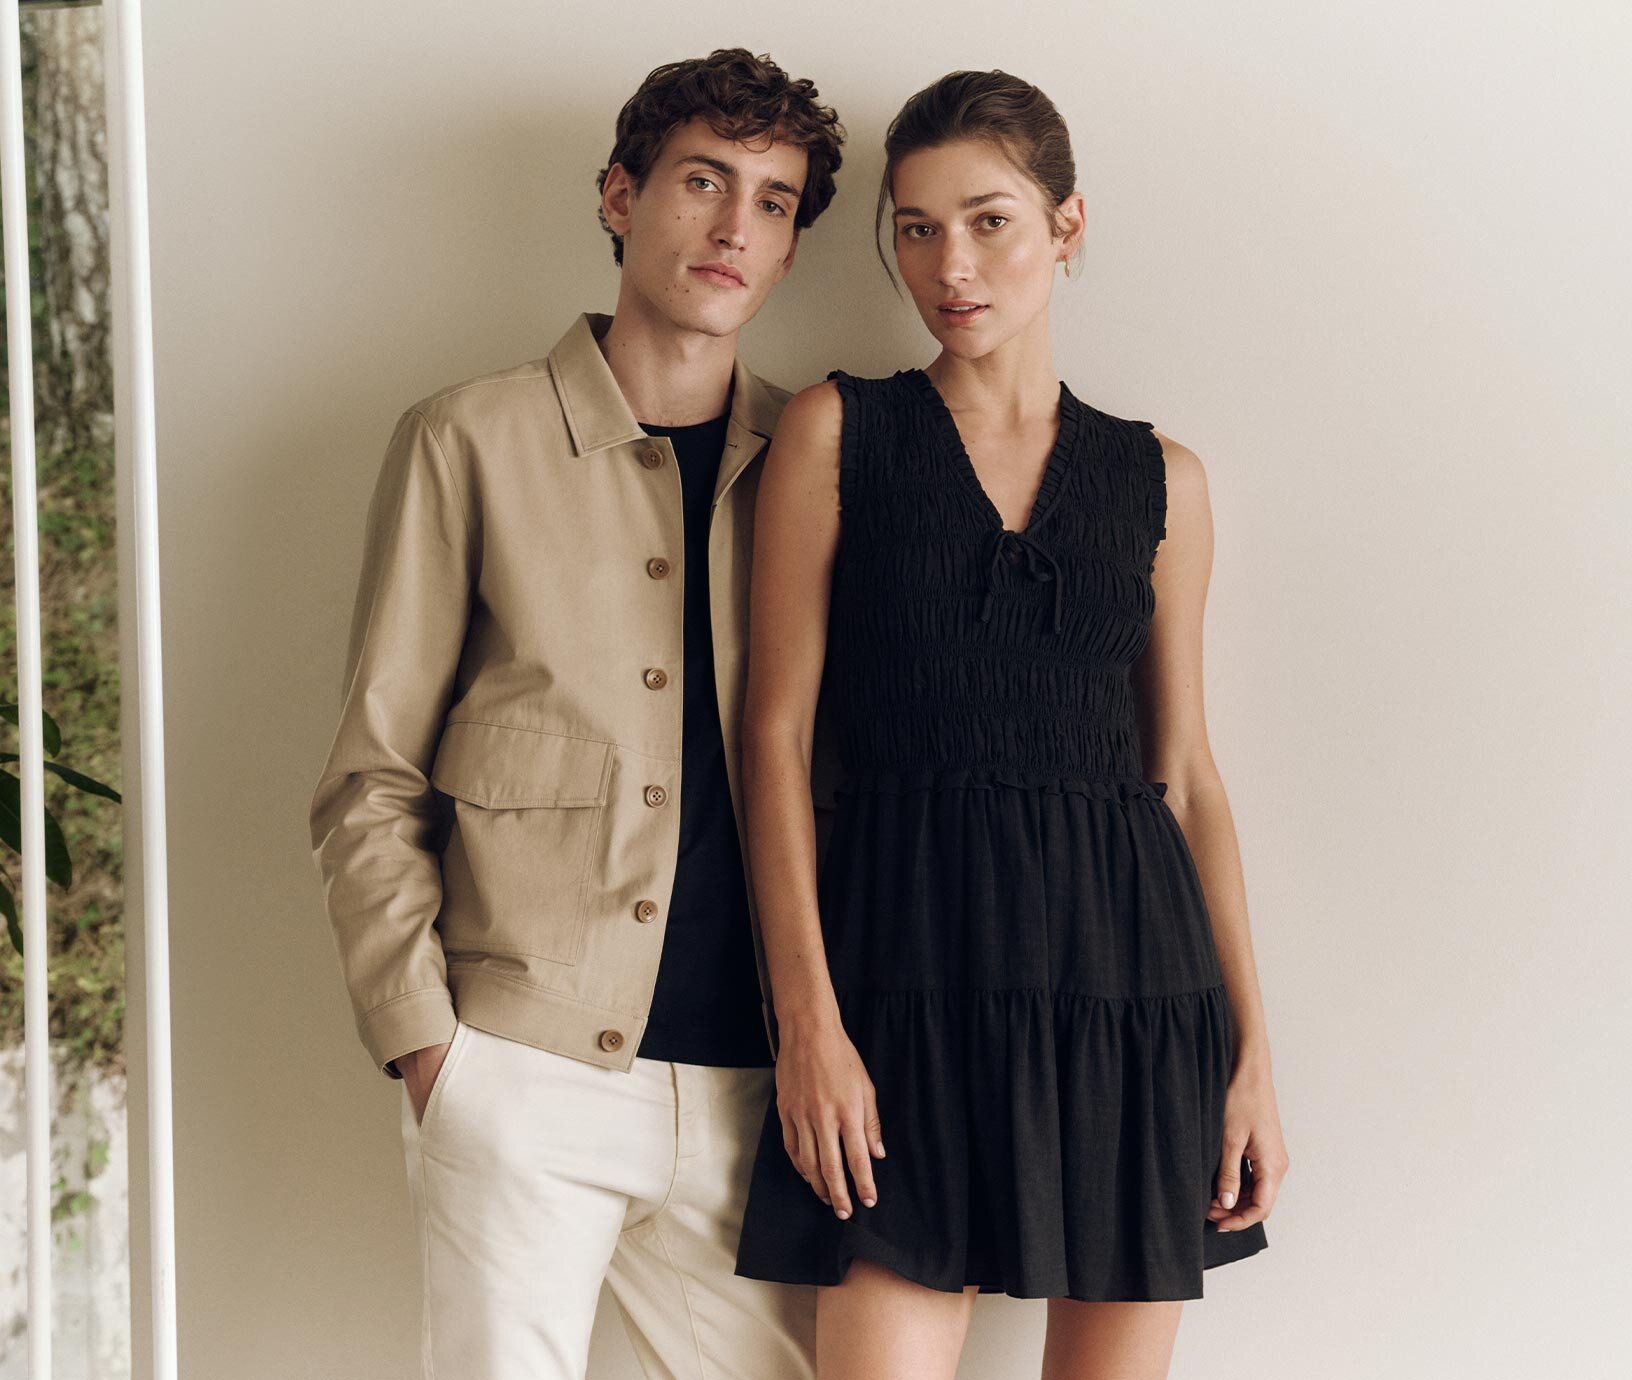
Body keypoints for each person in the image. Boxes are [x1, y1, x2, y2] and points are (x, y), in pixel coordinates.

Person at [730, 68, 1289, 1378]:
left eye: (987, 221)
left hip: (1132, 1002)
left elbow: (1188, 778)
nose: (949, 264)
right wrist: (807, 1024)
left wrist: (1252, 1053)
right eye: (915, 228)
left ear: (1067, 226)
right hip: (899, 993)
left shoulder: (1162, 478)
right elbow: (773, 743)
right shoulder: (837, 433)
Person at [307, 48, 846, 1380]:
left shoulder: (823, 460)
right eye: (702, 182)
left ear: (790, 249)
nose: (733, 227)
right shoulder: (469, 440)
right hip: (524, 1060)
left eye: (773, 202)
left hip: (756, 1092)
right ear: (620, 195)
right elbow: (372, 776)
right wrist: (429, 1046)